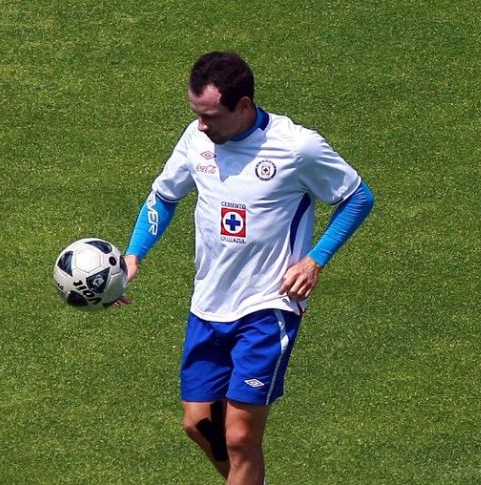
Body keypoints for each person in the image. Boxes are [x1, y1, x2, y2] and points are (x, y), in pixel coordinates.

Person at [118, 51, 374, 485]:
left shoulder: (296, 146)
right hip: (208, 303)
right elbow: (164, 196)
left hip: (268, 304)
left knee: (238, 436)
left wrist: (315, 260)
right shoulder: (197, 139)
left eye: (211, 116)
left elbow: (357, 197)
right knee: (199, 425)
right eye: (196, 114)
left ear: (243, 105)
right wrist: (134, 253)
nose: (202, 125)